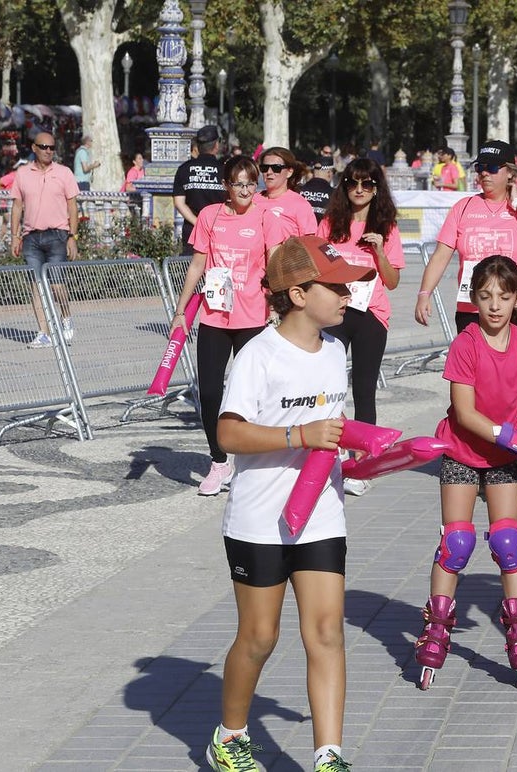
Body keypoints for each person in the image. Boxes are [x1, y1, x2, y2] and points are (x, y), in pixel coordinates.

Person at [205, 235, 374, 772]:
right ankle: (228, 738)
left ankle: (329, 757)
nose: (348, 295)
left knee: (326, 632)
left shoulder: (336, 350)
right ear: (298, 294)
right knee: (259, 637)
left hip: (322, 512)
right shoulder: (258, 354)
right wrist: (299, 435)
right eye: (337, 286)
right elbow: (228, 433)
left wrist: (369, 450)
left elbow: (333, 428)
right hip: (260, 519)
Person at [416, 255, 517, 692]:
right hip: (462, 452)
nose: (494, 306)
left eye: (503, 296)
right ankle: (438, 624)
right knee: (456, 541)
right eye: (485, 297)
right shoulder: (466, 342)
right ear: (472, 299)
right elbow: (464, 414)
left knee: (507, 539)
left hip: (502, 461)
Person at [171, 156, 292, 496]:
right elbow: (197, 265)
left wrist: (277, 307)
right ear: (226, 185)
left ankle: (253, 460)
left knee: (252, 393)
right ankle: (219, 460)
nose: (245, 190)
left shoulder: (266, 216)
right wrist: (181, 310)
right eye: (238, 184)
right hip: (214, 314)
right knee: (210, 392)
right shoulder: (210, 216)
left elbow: (275, 267)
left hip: (253, 317)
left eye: (251, 184)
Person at [317, 158, 404, 496]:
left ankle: (364, 462)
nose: (359, 190)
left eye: (367, 184)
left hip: (371, 314)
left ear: (376, 188)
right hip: (335, 312)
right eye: (353, 183)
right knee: (328, 385)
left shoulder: (387, 226)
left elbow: (393, 281)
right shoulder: (330, 222)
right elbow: (317, 267)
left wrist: (380, 251)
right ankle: (328, 453)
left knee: (363, 389)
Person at [415, 139, 517, 334]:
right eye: (480, 167)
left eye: (492, 167)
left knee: (516, 365)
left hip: (515, 308)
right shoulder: (463, 207)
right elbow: (441, 255)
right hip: (472, 308)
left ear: (510, 172)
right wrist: (425, 293)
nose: (484, 173)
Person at [10, 132, 80, 349]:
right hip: (31, 238)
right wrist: (14, 236)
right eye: (43, 147)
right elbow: (17, 206)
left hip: (58, 235)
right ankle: (44, 333)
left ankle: (66, 317)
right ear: (34, 148)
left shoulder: (64, 172)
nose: (48, 150)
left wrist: (73, 236)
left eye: (51, 147)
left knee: (57, 283)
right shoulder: (22, 174)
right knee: (36, 285)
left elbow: (72, 206)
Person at [173, 126, 227, 256]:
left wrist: (197, 223)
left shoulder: (184, 169)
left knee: (191, 269)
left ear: (197, 146)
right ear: (216, 145)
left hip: (192, 231)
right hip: (219, 230)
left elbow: (179, 203)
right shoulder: (224, 171)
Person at [256, 147, 318, 237]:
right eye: (264, 168)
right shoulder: (253, 200)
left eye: (276, 168)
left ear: (289, 172)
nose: (269, 172)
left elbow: (309, 243)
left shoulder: (300, 205)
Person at [300, 157, 336, 224]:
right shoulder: (335, 194)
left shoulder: (298, 191)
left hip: (298, 233)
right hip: (323, 233)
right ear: (329, 173)